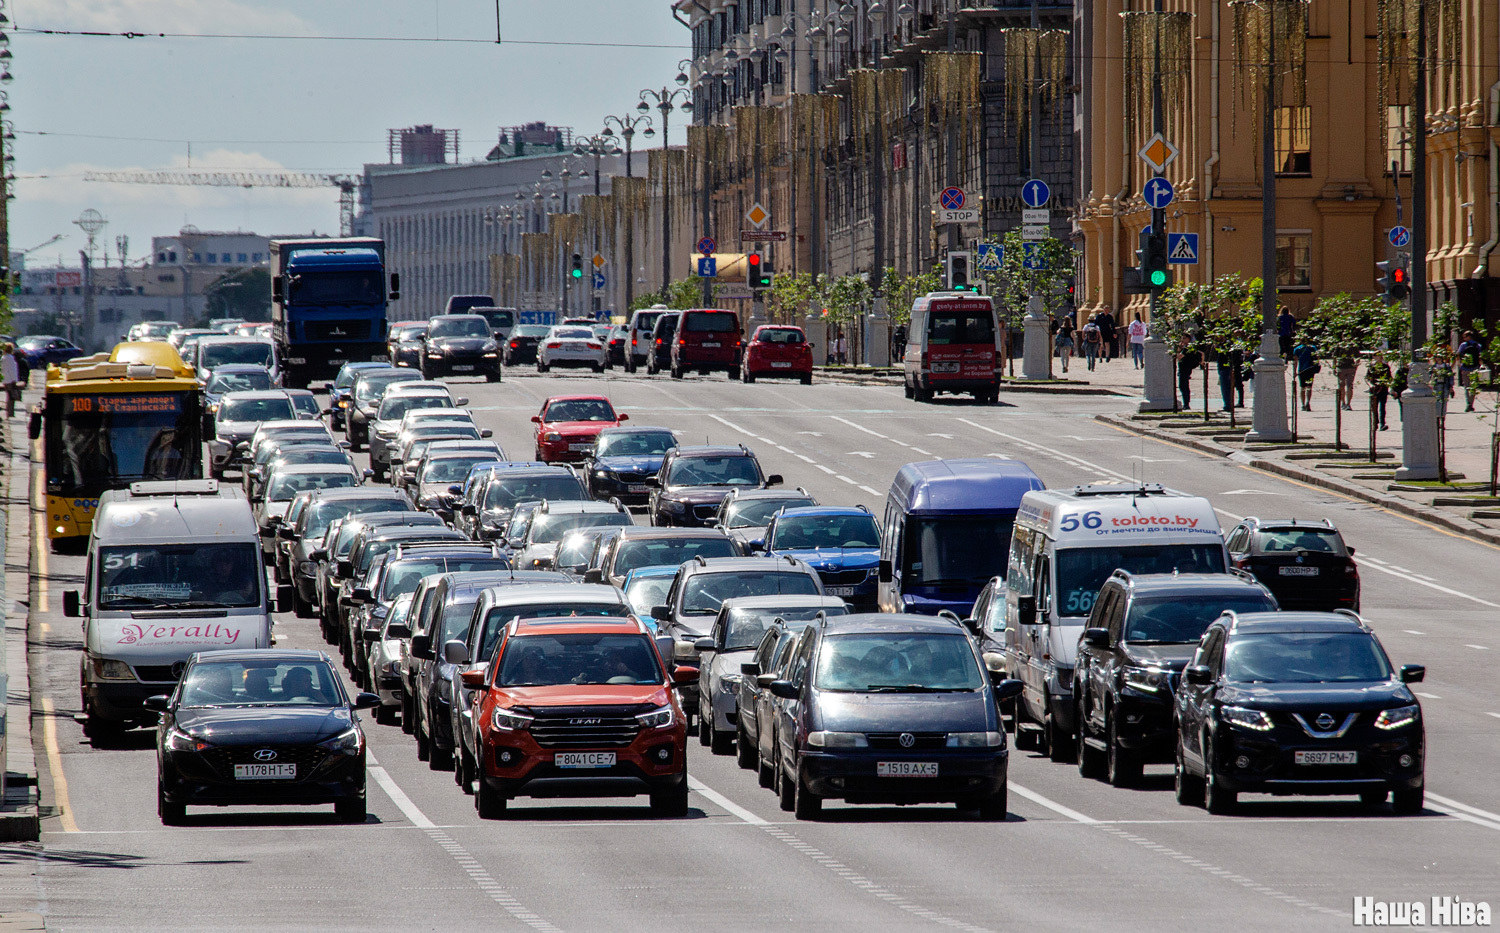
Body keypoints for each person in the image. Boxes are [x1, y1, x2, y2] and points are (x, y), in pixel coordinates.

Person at [1457, 330, 1483, 412]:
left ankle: (1468, 403)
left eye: (1464, 337)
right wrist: (1481, 366)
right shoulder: (1478, 345)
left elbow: (1458, 355)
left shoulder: (1463, 345)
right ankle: (1471, 404)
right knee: (1473, 387)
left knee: (1466, 387)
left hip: (1465, 368)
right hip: (1474, 368)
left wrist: (1459, 364)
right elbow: (1480, 357)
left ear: (1468, 337)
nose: (1463, 338)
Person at [1292, 339, 1318, 411]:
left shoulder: (1297, 349)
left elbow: (1295, 361)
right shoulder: (1313, 348)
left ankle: (1303, 405)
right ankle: (1308, 402)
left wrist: (1294, 372)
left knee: (1302, 387)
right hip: (1310, 370)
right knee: (1309, 386)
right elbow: (1317, 358)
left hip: (1302, 370)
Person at [1367, 354, 1391, 431]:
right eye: (1375, 356)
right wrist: (1371, 385)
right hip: (1374, 390)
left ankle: (1382, 424)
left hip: (1383, 389)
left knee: (1382, 407)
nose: (1377, 358)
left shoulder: (1385, 367)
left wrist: (1387, 383)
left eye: (1379, 356)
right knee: (1374, 407)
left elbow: (1389, 378)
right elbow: (1367, 378)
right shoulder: (1372, 367)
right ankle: (1375, 423)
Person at [1177, 344, 1202, 409]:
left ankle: (1186, 403)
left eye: (1184, 338)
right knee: (1185, 386)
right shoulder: (1189, 348)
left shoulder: (1186, 349)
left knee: (1183, 386)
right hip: (1185, 369)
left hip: (1185, 369)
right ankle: (1186, 403)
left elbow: (1179, 357)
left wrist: (1178, 351)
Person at [0, 346, 18, 419]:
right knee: (11, 397)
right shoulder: (10, 358)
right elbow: (12, 370)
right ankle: (10, 413)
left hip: (5, 379)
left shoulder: (3, 358)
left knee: (9, 395)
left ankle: (9, 412)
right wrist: (14, 380)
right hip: (10, 380)